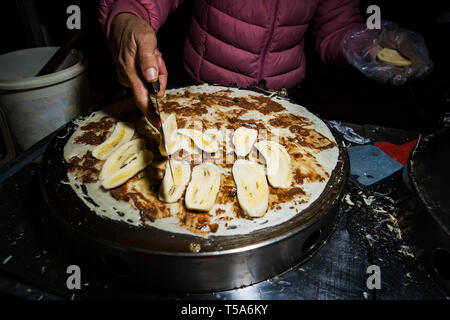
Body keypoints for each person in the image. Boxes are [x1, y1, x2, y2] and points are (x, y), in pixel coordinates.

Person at [98, 0, 433, 118]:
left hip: (282, 104)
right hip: (203, 96)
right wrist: (128, 15)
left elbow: (337, 25)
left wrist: (371, 47)